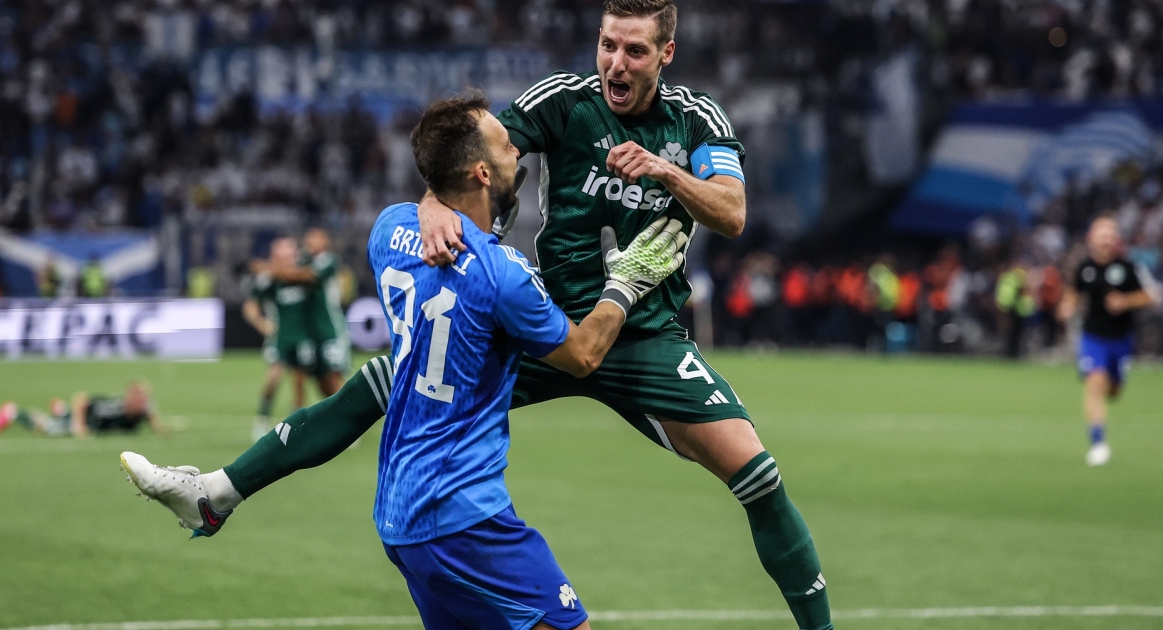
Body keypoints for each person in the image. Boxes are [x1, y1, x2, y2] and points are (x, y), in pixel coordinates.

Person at [120, 93, 684, 630]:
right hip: (464, 516)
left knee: (380, 378)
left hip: (400, 514)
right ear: (481, 173)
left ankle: (219, 491)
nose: (518, 148)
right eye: (505, 144)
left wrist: (449, 206)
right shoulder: (504, 275)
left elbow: (440, 220)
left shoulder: (389, 230)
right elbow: (583, 355)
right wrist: (626, 284)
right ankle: (217, 492)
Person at [416, 2, 832, 627]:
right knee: (391, 381)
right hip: (551, 327)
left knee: (760, 476)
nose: (616, 62)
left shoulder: (695, 120)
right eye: (608, 45)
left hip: (644, 337)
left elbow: (733, 212)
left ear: (666, 54)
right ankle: (246, 481)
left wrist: (666, 170)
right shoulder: (564, 101)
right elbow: (475, 157)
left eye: (635, 50)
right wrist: (430, 202)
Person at [1057, 216, 1155, 466]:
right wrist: (1067, 306)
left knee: (1113, 391)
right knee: (1095, 383)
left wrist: (1125, 301)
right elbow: (1074, 293)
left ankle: (1114, 382)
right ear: (1091, 238)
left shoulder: (1129, 267)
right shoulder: (1084, 268)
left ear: (1116, 239)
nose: (1105, 239)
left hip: (1121, 339)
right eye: (1101, 234)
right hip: (1093, 337)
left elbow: (1150, 296)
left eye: (1110, 234)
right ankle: (1098, 443)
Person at [251, 228, 351, 398]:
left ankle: (350, 410)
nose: (310, 244)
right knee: (321, 383)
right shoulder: (304, 259)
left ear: (325, 242)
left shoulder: (328, 260)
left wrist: (267, 268)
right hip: (312, 333)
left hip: (330, 329)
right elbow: (290, 268)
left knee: (334, 377)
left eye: (316, 240)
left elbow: (306, 276)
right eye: (309, 240)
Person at [242, 236, 313, 441]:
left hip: (302, 337)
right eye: (282, 255)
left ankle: (295, 427)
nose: (287, 259)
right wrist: (262, 323)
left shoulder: (303, 275)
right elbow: (250, 306)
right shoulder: (269, 280)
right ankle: (262, 420)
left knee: (299, 384)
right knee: (273, 378)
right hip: (280, 338)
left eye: (289, 254)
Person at [0, 381, 160, 437]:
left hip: (88, 423)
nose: (143, 402)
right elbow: (81, 400)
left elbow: (153, 419)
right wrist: (79, 426)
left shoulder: (142, 411)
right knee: (49, 428)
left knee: (61, 419)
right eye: (139, 398)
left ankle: (61, 409)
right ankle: (13, 412)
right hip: (83, 419)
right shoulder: (115, 407)